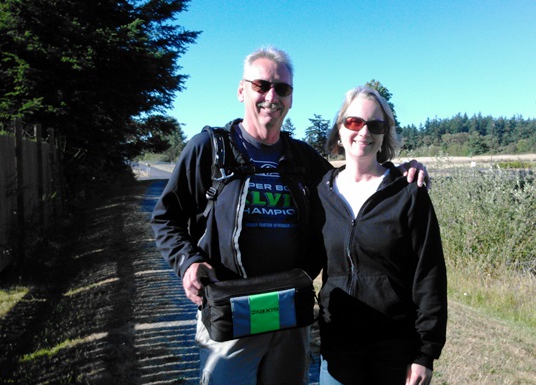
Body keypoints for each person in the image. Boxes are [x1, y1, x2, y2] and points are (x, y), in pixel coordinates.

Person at [151, 47, 429, 385]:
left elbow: (352, 181)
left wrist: (397, 172)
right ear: (242, 90)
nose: (271, 96)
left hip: (288, 314)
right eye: (261, 85)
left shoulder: (303, 159)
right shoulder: (210, 149)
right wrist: (188, 262)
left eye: (282, 89)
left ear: (291, 98)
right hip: (231, 314)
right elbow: (167, 217)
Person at [315, 86, 447, 385]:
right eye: (353, 122)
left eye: (376, 125)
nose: (363, 132)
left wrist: (425, 353)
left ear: (385, 133)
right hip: (339, 347)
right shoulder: (321, 192)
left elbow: (430, 274)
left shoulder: (408, 192)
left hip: (395, 347)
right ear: (340, 128)